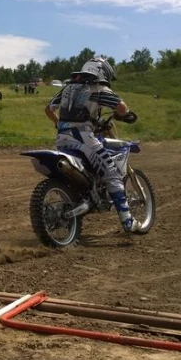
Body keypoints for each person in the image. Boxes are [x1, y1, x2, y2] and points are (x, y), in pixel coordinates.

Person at [45, 57, 135, 232]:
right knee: (111, 172)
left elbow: (49, 109)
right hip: (84, 137)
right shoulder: (99, 88)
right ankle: (127, 221)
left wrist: (58, 123)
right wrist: (127, 114)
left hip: (62, 139)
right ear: (104, 72)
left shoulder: (67, 88)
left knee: (85, 173)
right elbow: (121, 108)